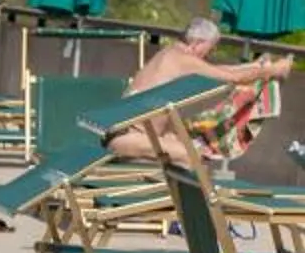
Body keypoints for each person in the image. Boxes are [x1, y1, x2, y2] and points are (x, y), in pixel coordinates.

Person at [106, 18, 291, 169]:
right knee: (192, 157)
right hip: (129, 139)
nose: (210, 54)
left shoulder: (170, 53)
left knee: (187, 145)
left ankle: (173, 198)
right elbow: (233, 77)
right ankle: (187, 203)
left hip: (129, 135)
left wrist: (254, 66)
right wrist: (274, 70)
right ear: (197, 43)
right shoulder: (183, 59)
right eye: (211, 49)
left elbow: (216, 70)